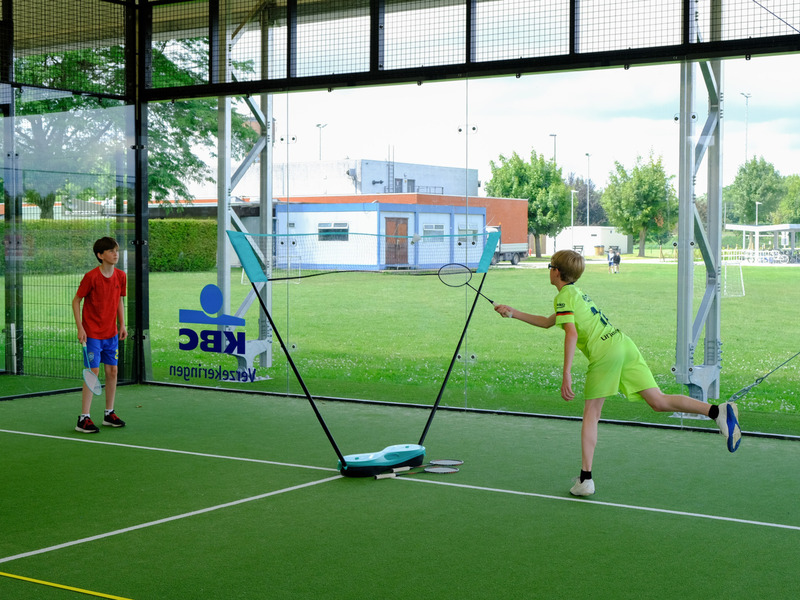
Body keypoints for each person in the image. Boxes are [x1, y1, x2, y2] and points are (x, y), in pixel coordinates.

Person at [494, 249, 741, 497]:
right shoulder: (575, 294)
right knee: (658, 401)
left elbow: (571, 333)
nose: (549, 270)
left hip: (606, 353)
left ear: (556, 272)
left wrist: (566, 373)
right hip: (623, 344)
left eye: (550, 266)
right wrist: (513, 313)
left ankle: (585, 479)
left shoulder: (563, 297)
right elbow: (550, 322)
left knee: (591, 413)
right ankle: (716, 411)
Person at [72, 237, 128, 433]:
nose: (116, 254)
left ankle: (109, 413)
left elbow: (119, 300)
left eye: (116, 250)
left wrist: (122, 324)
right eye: (111, 251)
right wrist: (81, 328)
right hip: (93, 335)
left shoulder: (121, 276)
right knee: (92, 373)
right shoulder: (91, 277)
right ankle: (83, 418)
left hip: (111, 334)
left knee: (113, 372)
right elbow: (76, 301)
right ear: (100, 255)